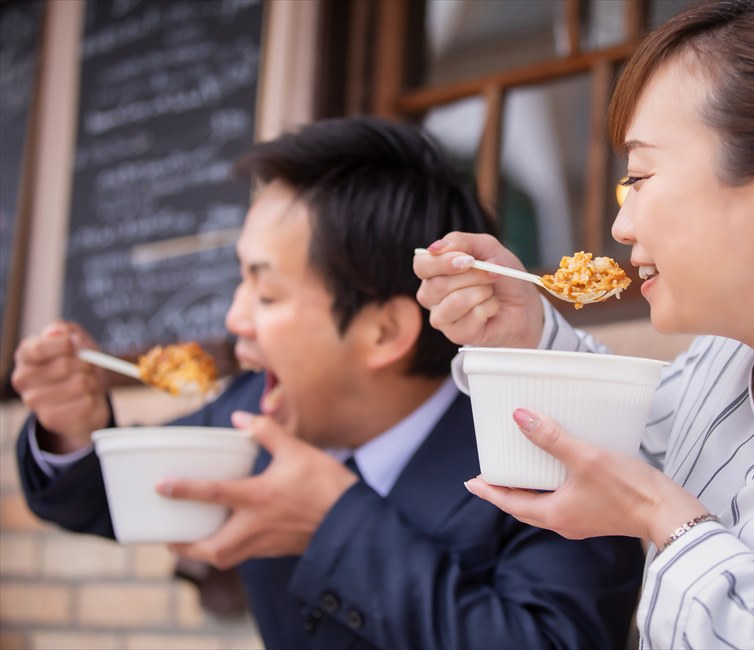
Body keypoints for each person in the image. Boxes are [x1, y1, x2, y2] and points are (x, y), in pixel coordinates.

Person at [413, 1, 754, 648]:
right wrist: (524, 326)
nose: (621, 228)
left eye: (641, 178)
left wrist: (663, 516)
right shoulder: (720, 368)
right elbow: (610, 443)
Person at [14, 117, 645, 649]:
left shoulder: (540, 449)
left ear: (381, 332)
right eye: (243, 283)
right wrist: (71, 426)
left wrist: (333, 525)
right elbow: (107, 495)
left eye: (264, 291)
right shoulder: (251, 416)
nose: (235, 320)